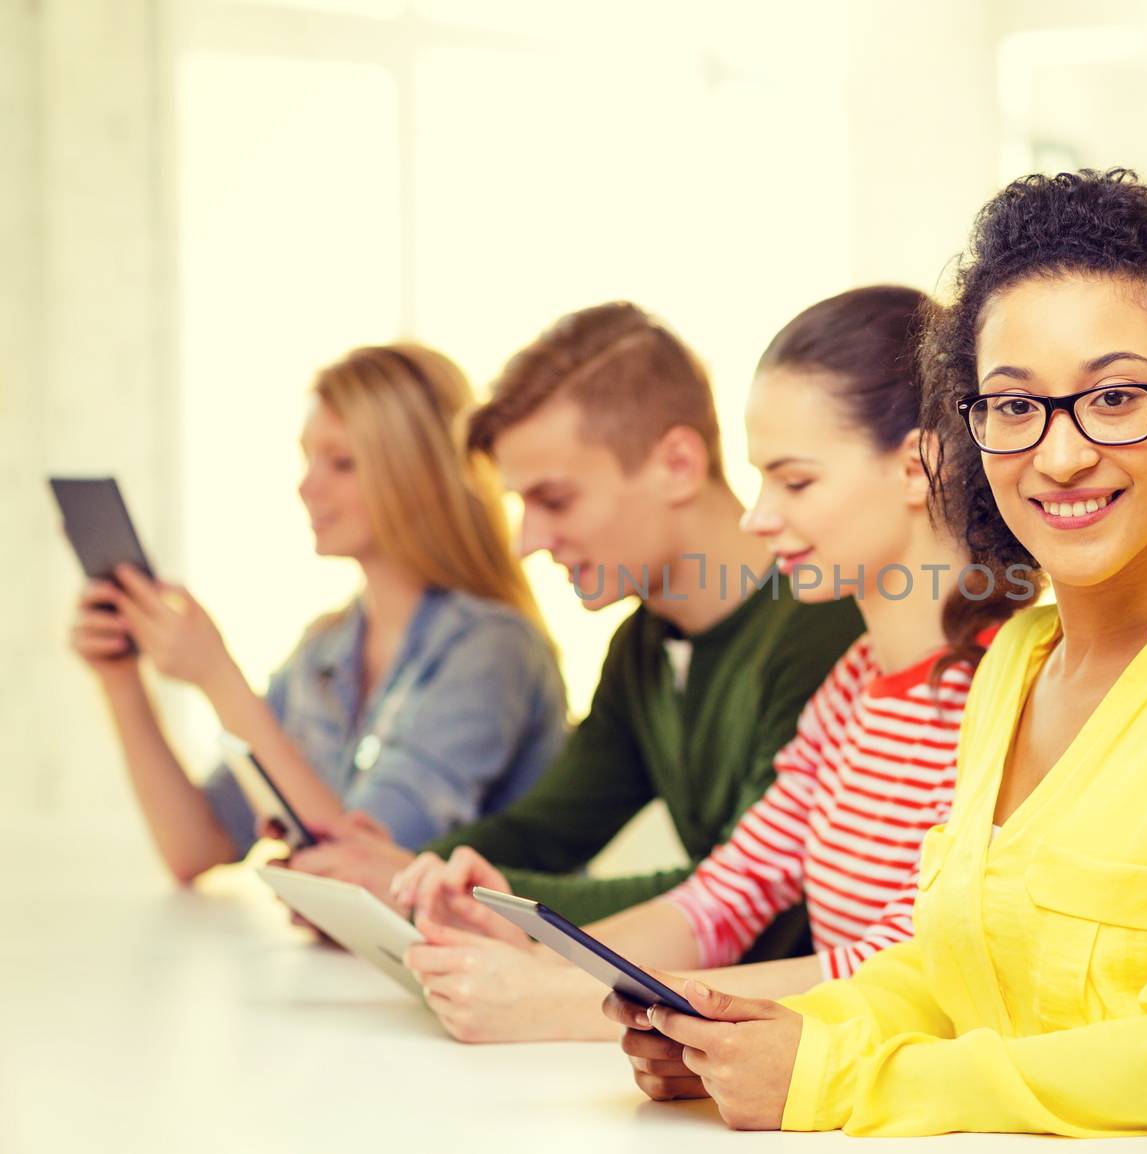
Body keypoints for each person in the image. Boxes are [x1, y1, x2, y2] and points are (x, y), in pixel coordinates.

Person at [607, 170, 1147, 1152]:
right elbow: (952, 974)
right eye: (1013, 404)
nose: (1061, 453)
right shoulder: (1016, 662)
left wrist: (829, 1072)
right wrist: (761, 1037)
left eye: (1115, 396)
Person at [391, 286, 1032, 1043]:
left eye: (795, 482)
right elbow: (721, 899)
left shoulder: (1008, 691)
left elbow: (905, 967)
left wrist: (559, 1003)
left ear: (917, 467)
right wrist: (547, 961)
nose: (758, 517)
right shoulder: (857, 684)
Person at [287, 304, 865, 955]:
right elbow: (546, 828)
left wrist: (466, 895)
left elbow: (754, 899)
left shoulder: (825, 626)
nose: (528, 541)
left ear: (676, 464)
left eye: (554, 500)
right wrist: (406, 872)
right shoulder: (642, 646)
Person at [68, 343, 568, 881]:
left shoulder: (492, 651)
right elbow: (197, 845)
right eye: (307, 458)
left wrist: (217, 677)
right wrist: (121, 681)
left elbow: (364, 872)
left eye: (343, 463)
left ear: (420, 475)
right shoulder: (326, 649)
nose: (306, 486)